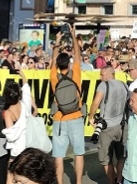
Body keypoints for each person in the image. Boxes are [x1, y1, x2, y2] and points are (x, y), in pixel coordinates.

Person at [50, 42, 85, 184]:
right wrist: (73, 36)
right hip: (76, 116)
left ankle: (59, 182)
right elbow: (77, 55)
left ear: (57, 66)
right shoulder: (75, 74)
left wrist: (57, 44)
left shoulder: (54, 77)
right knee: (79, 153)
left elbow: (53, 60)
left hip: (59, 118)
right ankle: (78, 182)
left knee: (58, 155)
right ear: (69, 65)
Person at [88, 66, 129, 184]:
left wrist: (91, 117)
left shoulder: (103, 85)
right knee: (121, 156)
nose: (100, 77)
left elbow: (96, 102)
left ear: (108, 74)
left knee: (106, 159)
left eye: (101, 74)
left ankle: (111, 182)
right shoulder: (123, 84)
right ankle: (120, 180)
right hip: (122, 125)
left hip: (107, 127)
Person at [2, 70, 33, 158]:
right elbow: (26, 91)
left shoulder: (8, 113)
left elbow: (11, 136)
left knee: (11, 172)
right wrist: (23, 76)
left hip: (17, 151)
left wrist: (4, 132)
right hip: (29, 146)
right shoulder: (25, 104)